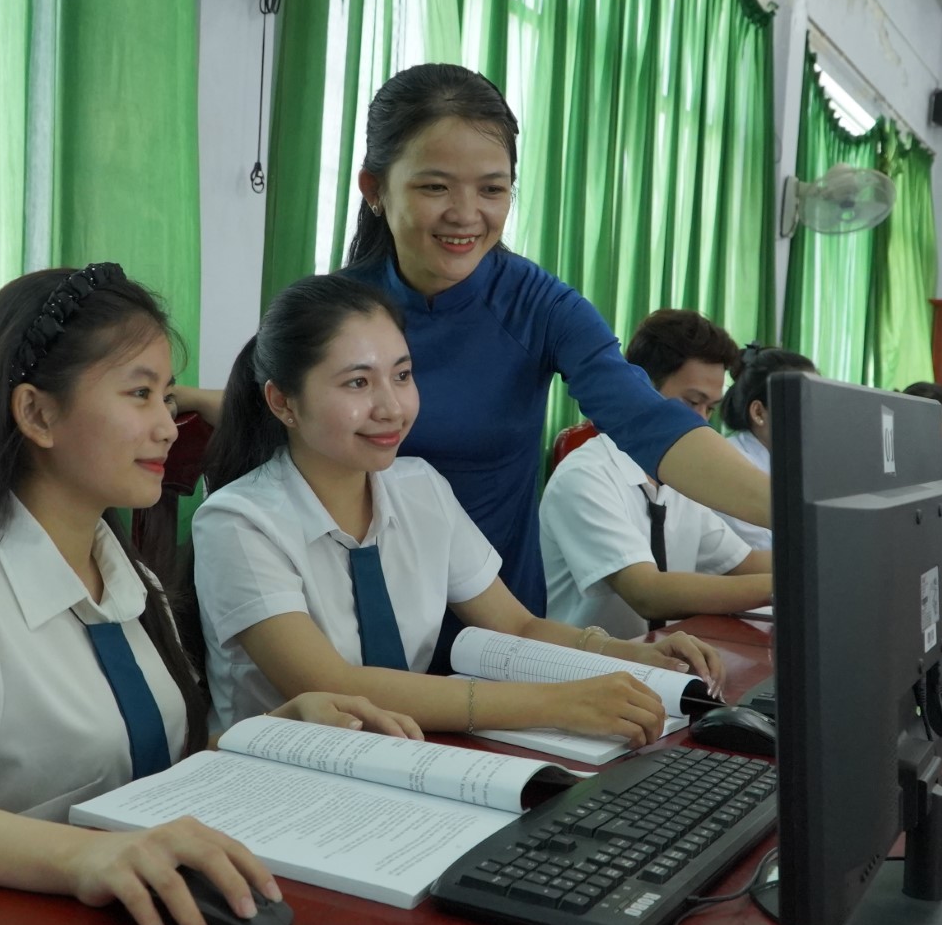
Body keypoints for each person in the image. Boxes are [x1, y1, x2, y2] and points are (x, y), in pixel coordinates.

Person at [0, 264, 417, 925]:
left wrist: (269, 736)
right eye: (140, 394)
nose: (169, 427)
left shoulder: (128, 577)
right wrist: (83, 856)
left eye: (168, 397)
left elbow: (135, 777)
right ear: (38, 414)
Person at [180, 63, 771, 642]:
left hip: (507, 626)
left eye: (492, 189)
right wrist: (188, 399)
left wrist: (792, 513)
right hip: (351, 630)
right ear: (375, 190)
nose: (466, 215)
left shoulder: (540, 306)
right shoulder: (341, 315)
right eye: (435, 186)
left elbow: (649, 421)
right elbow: (292, 406)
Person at [194, 274, 724, 741]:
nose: (392, 407)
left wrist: (631, 654)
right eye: (358, 382)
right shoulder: (238, 522)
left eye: (402, 375)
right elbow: (334, 686)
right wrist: (557, 704)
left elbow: (516, 627)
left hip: (404, 755)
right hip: (277, 783)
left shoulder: (420, 487)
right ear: (283, 402)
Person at [541, 310, 773, 639]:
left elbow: (744, 562)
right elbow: (647, 593)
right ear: (640, 391)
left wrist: (825, 562)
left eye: (710, 408)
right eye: (692, 403)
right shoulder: (585, 476)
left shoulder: (682, 479)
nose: (701, 423)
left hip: (663, 658)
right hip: (592, 665)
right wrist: (782, 586)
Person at [715, 344, 819, 551]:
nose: (816, 416)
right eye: (805, 404)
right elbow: (773, 551)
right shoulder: (731, 465)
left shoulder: (796, 461)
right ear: (759, 413)